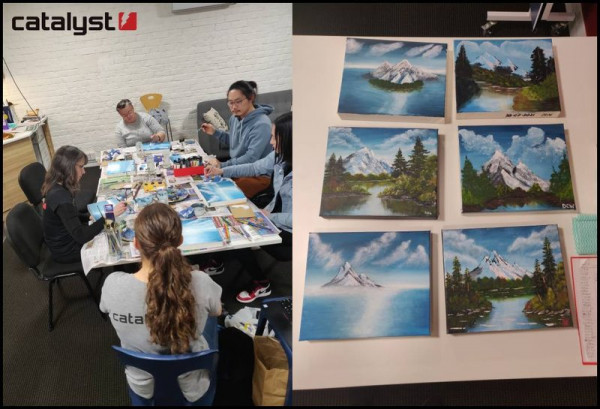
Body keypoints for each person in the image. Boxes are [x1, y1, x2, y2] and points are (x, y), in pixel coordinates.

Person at [100, 203, 222, 403]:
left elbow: (103, 308)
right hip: (192, 389)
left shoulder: (113, 285)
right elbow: (217, 311)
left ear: (136, 244)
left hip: (143, 387)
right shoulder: (200, 281)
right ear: (180, 241)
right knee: (213, 324)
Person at [207, 112, 292, 303]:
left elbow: (301, 218)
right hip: (274, 214)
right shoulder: (280, 156)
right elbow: (254, 167)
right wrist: (222, 171)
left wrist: (269, 217)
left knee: (235, 229)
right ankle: (220, 260)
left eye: (273, 137)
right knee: (228, 214)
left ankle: (261, 282)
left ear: (288, 139)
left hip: (291, 230)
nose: (270, 142)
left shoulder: (306, 173)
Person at [42, 145, 127, 263]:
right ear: (68, 167)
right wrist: (109, 216)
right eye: (81, 167)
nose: (84, 171)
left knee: (109, 229)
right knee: (115, 244)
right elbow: (82, 236)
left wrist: (87, 216)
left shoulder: (58, 185)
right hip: (67, 251)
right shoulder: (61, 198)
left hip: (65, 239)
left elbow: (69, 215)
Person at [200, 80, 274, 198]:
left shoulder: (262, 124)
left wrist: (222, 165)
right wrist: (214, 132)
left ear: (251, 98)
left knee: (220, 193)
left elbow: (251, 158)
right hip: (239, 170)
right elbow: (235, 141)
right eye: (230, 103)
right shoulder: (235, 118)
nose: (234, 107)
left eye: (238, 102)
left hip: (258, 175)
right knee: (206, 184)